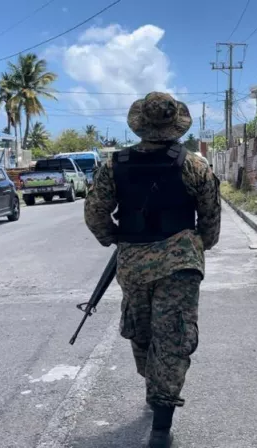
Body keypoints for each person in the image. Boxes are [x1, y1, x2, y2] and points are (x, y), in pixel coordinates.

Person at [84, 92, 222, 447]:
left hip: (133, 263)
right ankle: (162, 417)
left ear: (140, 125)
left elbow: (95, 213)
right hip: (180, 264)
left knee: (142, 330)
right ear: (176, 125)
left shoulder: (113, 165)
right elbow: (211, 220)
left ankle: (157, 400)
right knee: (173, 336)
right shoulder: (195, 165)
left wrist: (116, 239)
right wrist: (194, 246)